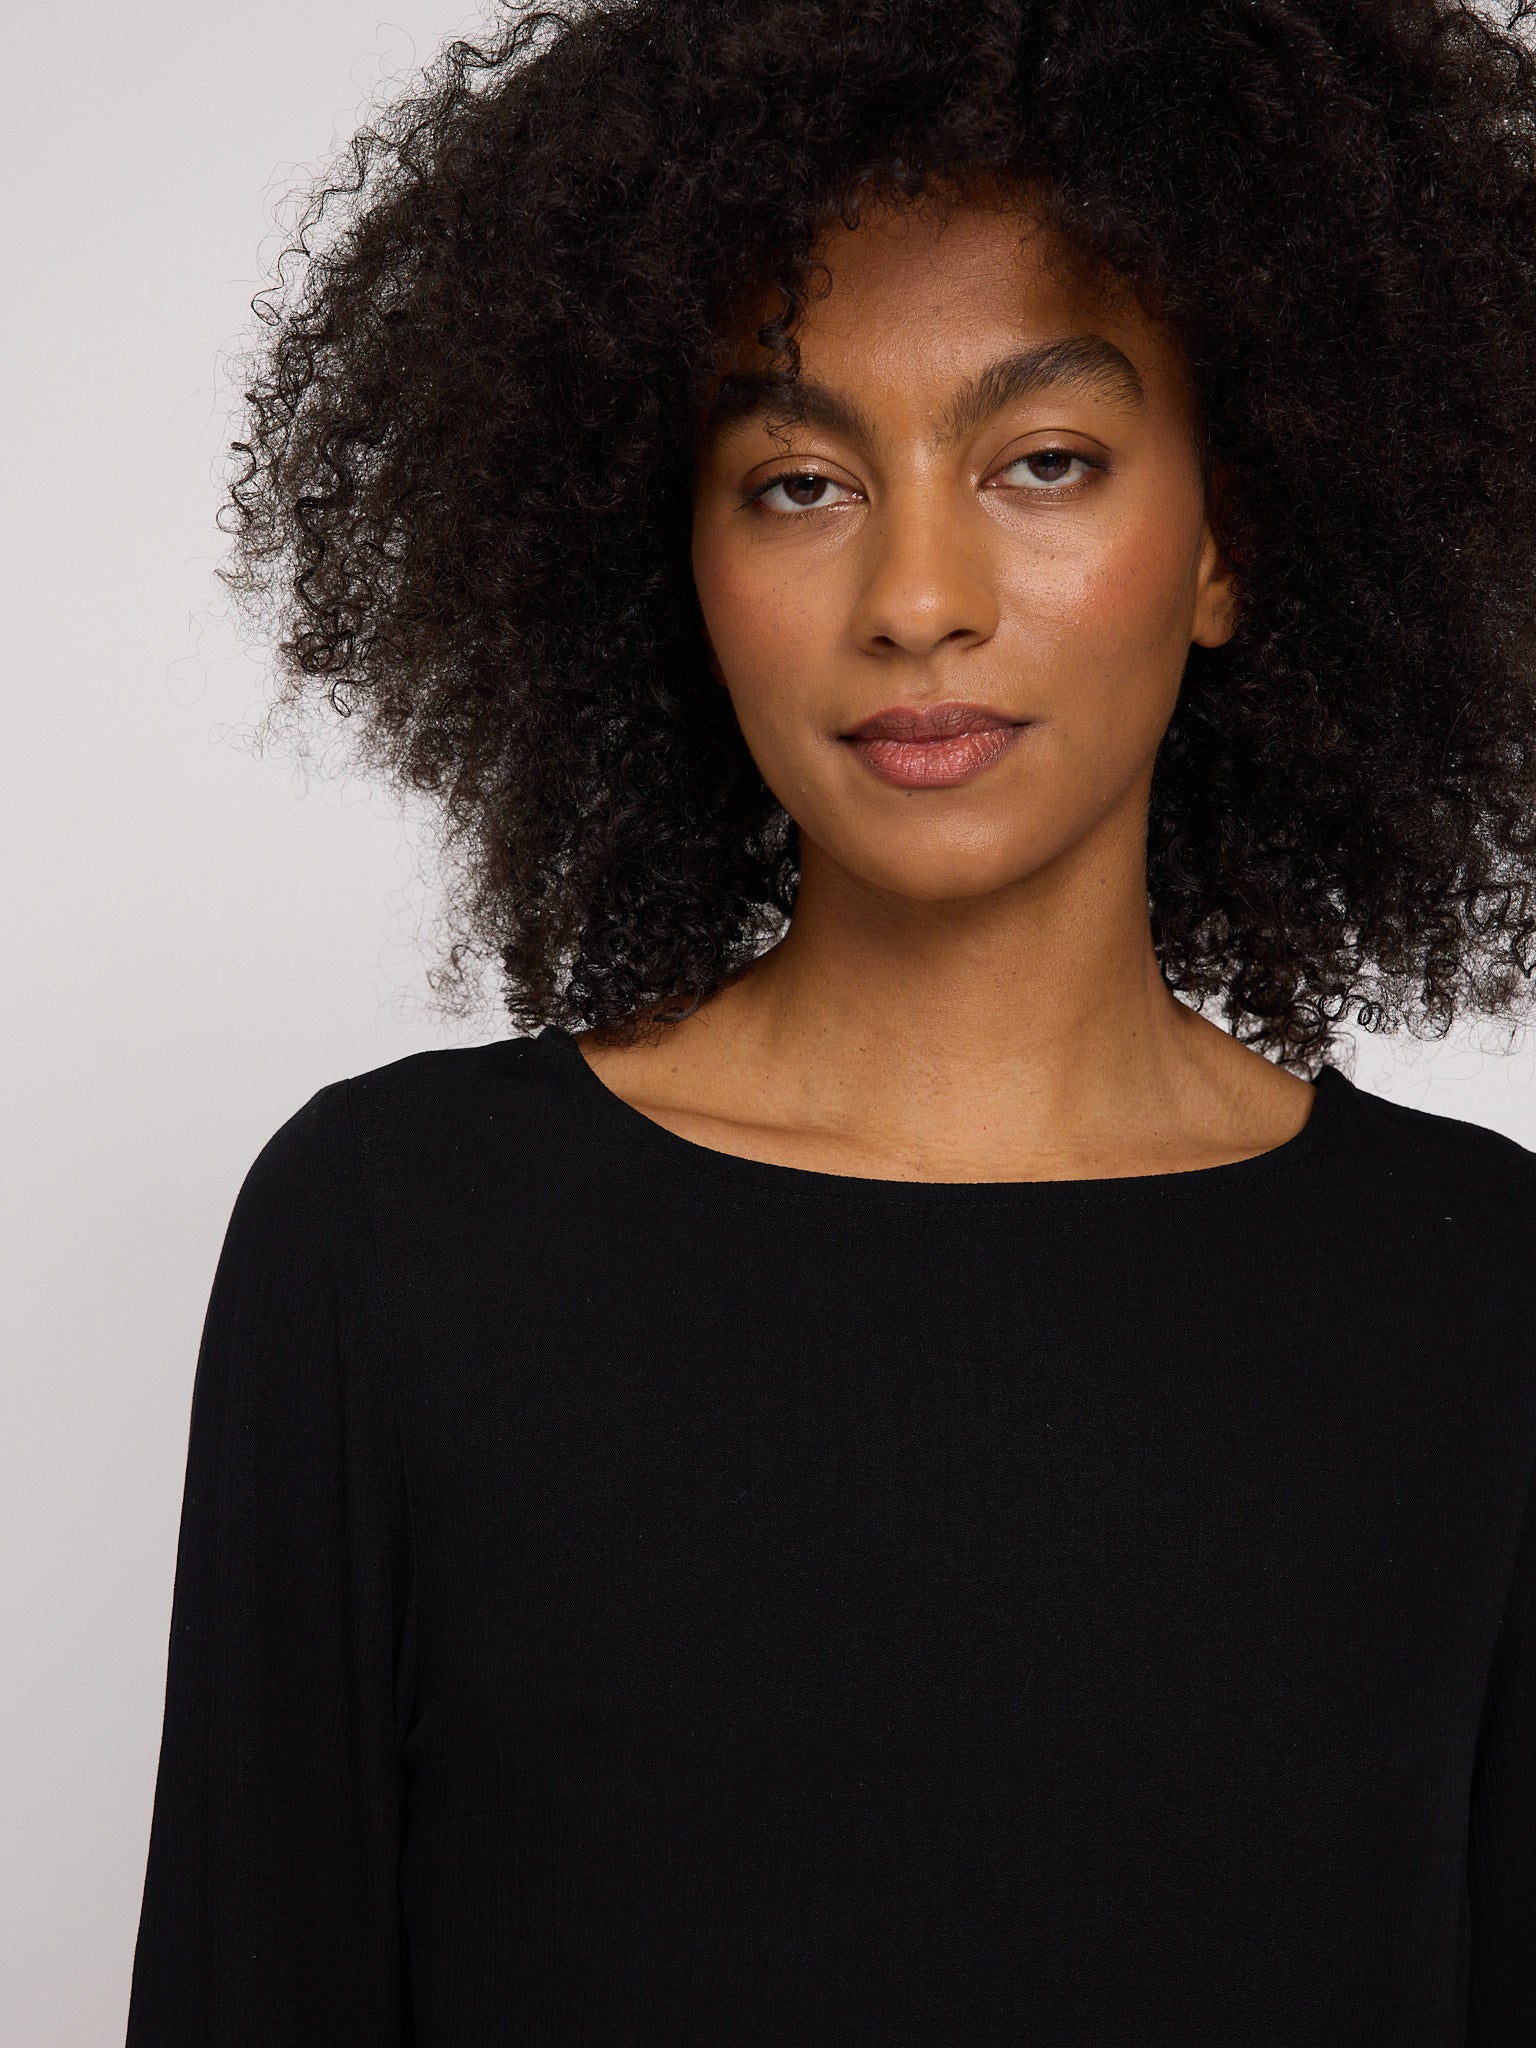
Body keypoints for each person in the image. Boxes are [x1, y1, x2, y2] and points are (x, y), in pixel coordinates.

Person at [127, 0, 1536, 2040]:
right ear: (676, 559)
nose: (917, 596)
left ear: (1229, 539)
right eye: (799, 482)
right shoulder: (398, 1246)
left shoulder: (1479, 1298)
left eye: (1044, 461)